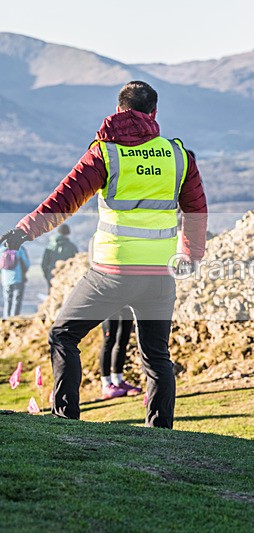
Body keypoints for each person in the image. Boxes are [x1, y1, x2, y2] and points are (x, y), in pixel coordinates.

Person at [0, 80, 208, 428]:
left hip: (112, 272)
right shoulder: (178, 156)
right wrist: (191, 255)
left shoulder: (105, 152)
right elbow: (197, 212)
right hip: (159, 275)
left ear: (118, 109)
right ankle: (161, 434)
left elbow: (63, 200)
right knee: (156, 356)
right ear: (154, 113)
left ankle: (66, 419)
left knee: (63, 335)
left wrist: (24, 231)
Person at [99, 307, 142, 399]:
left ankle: (118, 381)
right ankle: (106, 385)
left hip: (126, 303)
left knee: (123, 341)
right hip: (109, 303)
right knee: (109, 341)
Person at [41, 224, 79, 291]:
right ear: (68, 233)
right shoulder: (72, 247)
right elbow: (77, 263)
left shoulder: (49, 247)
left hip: (51, 276)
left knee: (53, 297)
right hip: (67, 277)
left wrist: (47, 275)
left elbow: (44, 264)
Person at [1, 241, 30, 318]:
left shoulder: (1, 250)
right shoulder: (19, 249)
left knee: (7, 300)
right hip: (18, 278)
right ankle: (14, 319)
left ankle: (6, 318)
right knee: (16, 301)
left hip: (5, 280)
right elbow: (26, 264)